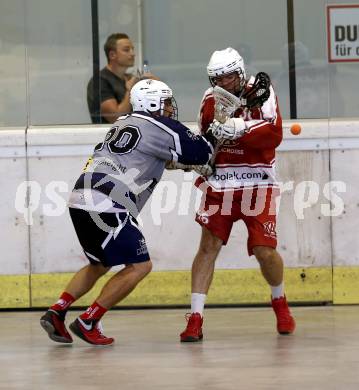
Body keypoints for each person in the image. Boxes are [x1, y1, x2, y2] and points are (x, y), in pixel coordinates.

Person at [40, 79, 214, 345]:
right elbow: (203, 152)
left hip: (81, 196)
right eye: (166, 102)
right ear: (153, 103)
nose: (170, 108)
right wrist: (220, 130)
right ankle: (89, 320)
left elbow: (151, 155)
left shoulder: (122, 122)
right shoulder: (160, 126)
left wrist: (181, 164)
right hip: (108, 201)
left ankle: (58, 310)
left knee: (100, 263)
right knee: (140, 265)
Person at [180, 47, 296, 342]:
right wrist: (198, 159)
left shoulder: (262, 92)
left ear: (240, 73)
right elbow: (205, 139)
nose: (222, 84)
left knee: (263, 249)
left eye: (228, 77)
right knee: (208, 247)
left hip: (258, 182)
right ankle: (195, 317)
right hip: (220, 185)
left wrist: (239, 128)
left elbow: (274, 134)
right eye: (216, 78)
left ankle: (279, 300)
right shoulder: (210, 100)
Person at [87, 33, 156, 124]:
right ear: (112, 55)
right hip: (110, 136)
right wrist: (130, 90)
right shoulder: (100, 81)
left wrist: (156, 86)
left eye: (132, 49)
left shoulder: (130, 78)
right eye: (126, 50)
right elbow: (116, 119)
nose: (133, 54)